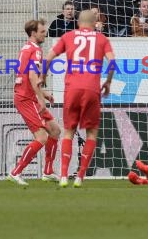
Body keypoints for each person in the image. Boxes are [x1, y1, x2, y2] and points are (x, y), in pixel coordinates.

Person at [44, 10, 115, 188]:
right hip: (92, 89)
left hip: (72, 89)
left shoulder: (68, 36)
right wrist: (107, 82)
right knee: (91, 133)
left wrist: (42, 76)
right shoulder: (102, 39)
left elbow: (49, 57)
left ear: (78, 23)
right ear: (95, 22)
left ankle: (62, 176)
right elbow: (112, 62)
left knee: (69, 131)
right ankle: (80, 177)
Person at [6, 19, 61, 186]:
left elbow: (26, 77)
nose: (45, 34)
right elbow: (31, 76)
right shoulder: (36, 51)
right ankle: (15, 172)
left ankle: (48, 171)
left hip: (27, 95)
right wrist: (40, 99)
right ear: (33, 33)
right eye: (42, 32)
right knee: (42, 137)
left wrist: (44, 94)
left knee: (55, 131)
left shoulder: (26, 48)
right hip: (26, 99)